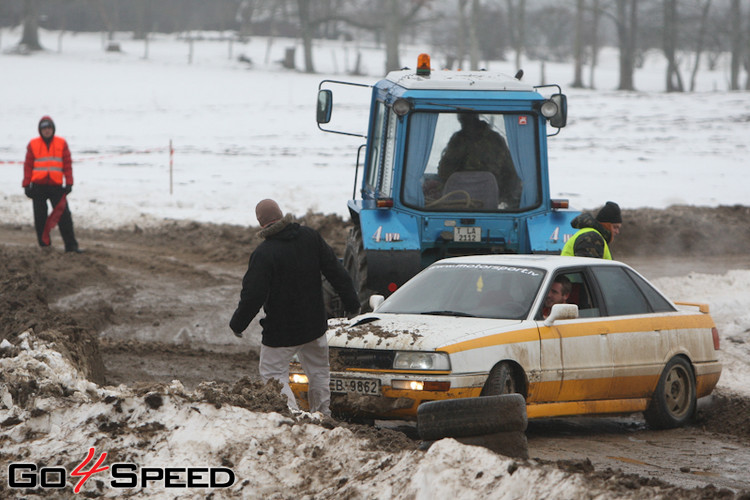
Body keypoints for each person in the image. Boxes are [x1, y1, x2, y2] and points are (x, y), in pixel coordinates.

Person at [229, 199, 359, 416]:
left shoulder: (264, 254)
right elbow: (336, 271)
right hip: (314, 325)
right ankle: (322, 414)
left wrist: (238, 324)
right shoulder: (310, 237)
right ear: (281, 214)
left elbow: (252, 295)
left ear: (261, 223)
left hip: (281, 332)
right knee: (318, 372)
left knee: (272, 373)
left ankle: (291, 416)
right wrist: (352, 304)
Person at [437, 113, 522, 208]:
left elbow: (444, 171)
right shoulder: (496, 139)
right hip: (491, 202)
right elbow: (511, 173)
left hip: (457, 204)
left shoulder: (458, 141)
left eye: (462, 117)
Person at [22, 115, 81, 253]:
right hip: (38, 187)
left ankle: (71, 246)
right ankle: (45, 246)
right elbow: (28, 166)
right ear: (40, 130)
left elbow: (67, 164)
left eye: (49, 128)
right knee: (40, 219)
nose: (47, 131)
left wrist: (69, 183)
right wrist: (26, 185)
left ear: (53, 129)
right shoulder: (33, 144)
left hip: (56, 186)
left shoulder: (61, 143)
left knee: (64, 217)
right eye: (44, 128)